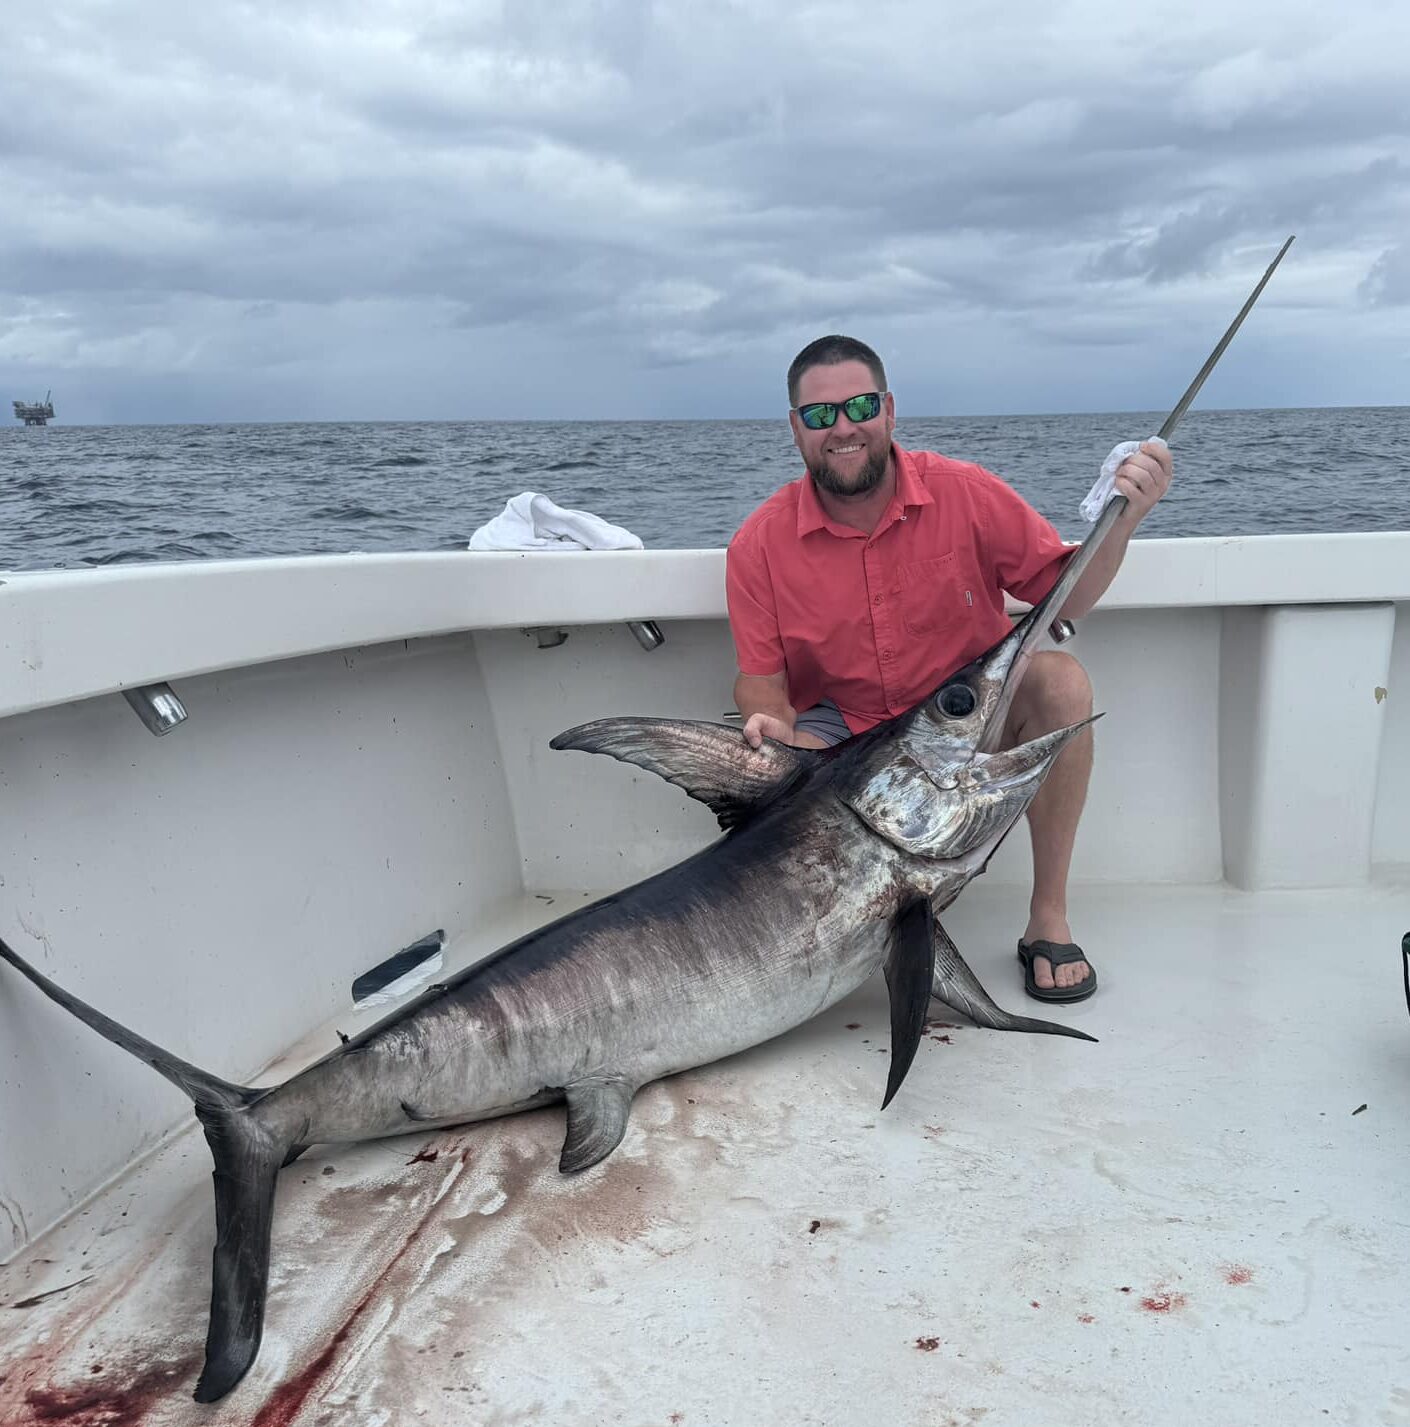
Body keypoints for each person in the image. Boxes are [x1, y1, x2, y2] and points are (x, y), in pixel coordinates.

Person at [725, 335, 1172, 1003]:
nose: (843, 428)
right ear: (797, 430)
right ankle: (838, 925)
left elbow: (1065, 594)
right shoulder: (758, 543)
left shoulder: (966, 492)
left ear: (889, 410)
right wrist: (768, 729)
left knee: (1061, 681)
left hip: (964, 723)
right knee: (771, 755)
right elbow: (765, 690)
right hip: (852, 746)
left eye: (860, 406)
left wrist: (1127, 518)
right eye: (821, 416)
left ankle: (1048, 916)